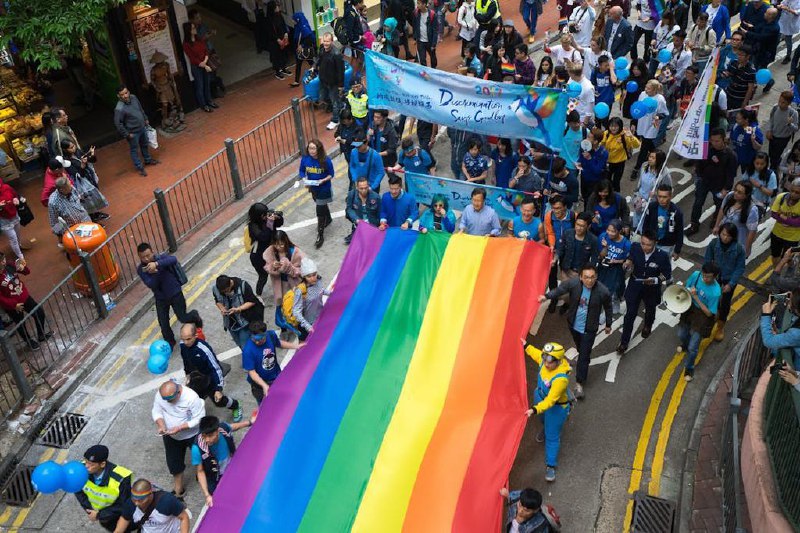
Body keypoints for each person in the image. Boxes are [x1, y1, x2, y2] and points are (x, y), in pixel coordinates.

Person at [538, 263, 612, 398]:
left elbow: (608, 307)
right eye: (586, 277)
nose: (589, 280)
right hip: (573, 324)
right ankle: (581, 353)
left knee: (584, 356)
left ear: (596, 277)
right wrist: (546, 296)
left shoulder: (603, 291)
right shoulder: (573, 284)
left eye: (592, 277)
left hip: (589, 329)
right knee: (580, 347)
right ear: (580, 278)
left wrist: (608, 324)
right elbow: (560, 290)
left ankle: (579, 383)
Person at [522, 341, 572, 483]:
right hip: (540, 397)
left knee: (552, 436)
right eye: (544, 360)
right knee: (543, 420)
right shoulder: (544, 362)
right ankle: (545, 427)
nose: (545, 364)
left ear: (558, 360)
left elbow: (550, 401)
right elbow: (536, 354)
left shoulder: (561, 379)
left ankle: (550, 465)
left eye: (549, 362)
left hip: (555, 407)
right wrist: (526, 346)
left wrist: (534, 409)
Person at [617, 230, 672, 354]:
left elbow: (667, 274)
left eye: (648, 245)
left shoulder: (662, 256)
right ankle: (624, 342)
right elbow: (630, 257)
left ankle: (648, 325)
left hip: (651, 289)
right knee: (630, 314)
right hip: (635, 285)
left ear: (655, 244)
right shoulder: (635, 247)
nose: (645, 247)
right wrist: (628, 263)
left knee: (650, 309)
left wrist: (656, 280)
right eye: (643, 243)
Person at [137, 243, 198, 349]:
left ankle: (194, 318)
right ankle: (170, 342)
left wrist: (156, 264)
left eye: (148, 255)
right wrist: (154, 273)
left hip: (175, 293)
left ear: (152, 252)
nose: (146, 259)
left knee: (182, 317)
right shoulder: (142, 269)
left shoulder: (161, 258)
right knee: (163, 323)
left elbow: (173, 259)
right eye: (143, 257)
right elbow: (151, 284)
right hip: (160, 298)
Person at [152, 381, 206, 498]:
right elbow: (157, 411)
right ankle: (178, 490)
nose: (168, 403)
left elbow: (199, 419)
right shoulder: (161, 396)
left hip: (193, 434)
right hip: (171, 435)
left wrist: (180, 427)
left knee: (202, 457)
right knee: (174, 462)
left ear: (179, 392)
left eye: (171, 400)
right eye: (166, 400)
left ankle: (202, 474)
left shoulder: (191, 398)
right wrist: (161, 425)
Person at [179, 323, 242, 422]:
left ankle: (235, 405)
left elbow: (216, 368)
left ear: (196, 335)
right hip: (195, 378)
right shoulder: (182, 344)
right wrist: (187, 374)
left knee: (219, 401)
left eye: (188, 339)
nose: (185, 342)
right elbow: (185, 360)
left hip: (209, 379)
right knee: (192, 399)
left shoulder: (204, 349)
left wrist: (218, 389)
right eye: (183, 339)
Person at [192, 414, 254, 507]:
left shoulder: (223, 428)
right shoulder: (197, 449)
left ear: (217, 431)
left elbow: (233, 427)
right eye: (204, 436)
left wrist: (250, 422)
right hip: (213, 478)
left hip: (230, 468)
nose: (207, 440)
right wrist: (207, 495)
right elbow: (200, 472)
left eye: (210, 436)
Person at [687, 129, 738, 236]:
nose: (714, 143)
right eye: (712, 141)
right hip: (704, 181)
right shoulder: (707, 148)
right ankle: (694, 224)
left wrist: (726, 188)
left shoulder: (730, 155)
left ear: (724, 139)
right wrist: (699, 173)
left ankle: (716, 219)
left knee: (719, 205)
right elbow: (700, 162)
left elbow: (731, 174)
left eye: (717, 141)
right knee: (698, 203)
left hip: (719, 185)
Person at [678, 262, 722, 382]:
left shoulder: (715, 292)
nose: (705, 278)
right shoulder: (696, 275)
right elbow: (687, 286)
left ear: (715, 277)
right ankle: (685, 344)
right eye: (704, 275)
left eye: (708, 277)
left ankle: (689, 367)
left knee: (693, 347)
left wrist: (696, 297)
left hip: (702, 315)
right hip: (690, 308)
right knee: (681, 333)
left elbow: (709, 313)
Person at [75, 445, 132, 532]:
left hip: (119, 517)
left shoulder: (121, 478)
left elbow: (124, 505)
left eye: (91, 464)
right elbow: (78, 491)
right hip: (103, 518)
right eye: (86, 462)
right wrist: (90, 510)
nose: (86, 466)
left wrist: (99, 515)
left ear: (102, 464)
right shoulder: (80, 470)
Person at [241, 320, 302, 403]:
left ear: (265, 333)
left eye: (260, 338)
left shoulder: (271, 335)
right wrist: (264, 385)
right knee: (265, 405)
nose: (257, 342)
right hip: (259, 386)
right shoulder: (248, 350)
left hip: (276, 377)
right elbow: (252, 372)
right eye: (254, 339)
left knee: (283, 400)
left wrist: (296, 346)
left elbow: (279, 343)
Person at [704, 223, 746, 342]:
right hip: (715, 276)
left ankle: (720, 327)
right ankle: (710, 319)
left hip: (729, 277)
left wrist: (731, 284)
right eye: (723, 234)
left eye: (728, 236)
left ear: (733, 236)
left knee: (725, 303)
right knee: (711, 298)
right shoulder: (713, 244)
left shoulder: (738, 249)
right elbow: (707, 261)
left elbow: (740, 268)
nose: (725, 238)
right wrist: (707, 276)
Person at [0, 254, 50, 350]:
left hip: (24, 296)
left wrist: (23, 267)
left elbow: (27, 272)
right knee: (20, 324)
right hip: (13, 306)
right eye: (1, 261)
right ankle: (29, 341)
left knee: (39, 312)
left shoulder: (9, 265)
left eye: (4, 259)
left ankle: (41, 335)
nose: (4, 262)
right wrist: (13, 305)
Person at [114, 479, 190, 533]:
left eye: (141, 500)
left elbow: (184, 518)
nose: (136, 503)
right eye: (134, 499)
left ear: (150, 494)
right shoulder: (130, 504)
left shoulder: (167, 501)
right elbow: (123, 522)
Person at [557, 212, 600, 309]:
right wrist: (555, 258)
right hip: (566, 270)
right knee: (565, 292)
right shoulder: (567, 233)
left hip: (579, 273)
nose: (578, 228)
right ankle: (567, 305)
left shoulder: (593, 240)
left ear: (588, 226)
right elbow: (561, 249)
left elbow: (594, 258)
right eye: (577, 224)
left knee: (578, 294)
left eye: (582, 226)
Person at [114, 86, 159, 176]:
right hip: (133, 133)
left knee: (145, 144)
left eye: (126, 93)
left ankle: (147, 160)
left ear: (129, 91)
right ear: (118, 96)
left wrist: (145, 118)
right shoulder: (119, 108)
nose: (125, 96)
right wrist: (127, 134)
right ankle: (139, 167)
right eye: (122, 95)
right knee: (134, 150)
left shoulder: (134, 98)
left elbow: (140, 109)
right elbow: (118, 124)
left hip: (142, 127)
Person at [298, 139, 334, 249]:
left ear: (319, 149)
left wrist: (323, 180)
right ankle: (328, 218)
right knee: (321, 206)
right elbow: (301, 171)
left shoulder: (326, 160)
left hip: (324, 189)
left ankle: (320, 234)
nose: (311, 150)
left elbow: (331, 174)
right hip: (313, 188)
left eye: (314, 148)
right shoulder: (305, 159)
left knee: (319, 210)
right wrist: (305, 179)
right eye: (310, 148)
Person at [212, 275, 264, 349]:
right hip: (230, 323)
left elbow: (252, 301)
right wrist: (222, 308)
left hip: (244, 321)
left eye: (227, 290)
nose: (226, 293)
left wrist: (238, 309)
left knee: (245, 346)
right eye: (223, 292)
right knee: (239, 343)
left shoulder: (243, 286)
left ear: (230, 283)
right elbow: (217, 301)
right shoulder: (216, 289)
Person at [713, 181, 759, 258]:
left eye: (740, 192)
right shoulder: (730, 196)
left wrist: (746, 249)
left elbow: (752, 232)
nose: (736, 193)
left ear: (746, 195)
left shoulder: (751, 209)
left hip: (738, 240)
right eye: (735, 190)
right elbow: (722, 209)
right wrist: (717, 225)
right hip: (724, 235)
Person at [246, 203, 283, 296]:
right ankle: (258, 295)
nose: (265, 217)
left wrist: (278, 218)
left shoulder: (267, 218)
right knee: (263, 276)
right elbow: (263, 237)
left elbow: (279, 224)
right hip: (258, 257)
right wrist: (269, 223)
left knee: (280, 268)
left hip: (272, 251)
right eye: (263, 215)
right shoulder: (252, 226)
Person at [640, 183, 683, 259]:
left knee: (664, 268)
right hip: (652, 242)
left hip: (667, 245)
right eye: (659, 196)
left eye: (665, 197)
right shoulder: (652, 207)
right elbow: (646, 224)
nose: (661, 199)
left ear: (670, 196)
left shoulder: (677, 212)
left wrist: (677, 250)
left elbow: (680, 232)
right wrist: (644, 238)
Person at [312, 33, 346, 131]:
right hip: (323, 80)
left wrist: (340, 85)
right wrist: (314, 66)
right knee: (322, 97)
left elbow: (341, 71)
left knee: (334, 100)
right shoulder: (322, 49)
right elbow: (318, 59)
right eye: (324, 41)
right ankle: (340, 105)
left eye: (328, 41)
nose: (325, 43)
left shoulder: (336, 54)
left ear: (331, 41)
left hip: (333, 83)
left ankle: (335, 120)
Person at [597, 219, 631, 313]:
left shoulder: (626, 244)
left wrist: (616, 261)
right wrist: (605, 247)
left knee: (615, 290)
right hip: (603, 268)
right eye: (608, 230)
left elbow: (627, 261)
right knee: (601, 288)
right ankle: (603, 309)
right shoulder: (603, 237)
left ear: (619, 231)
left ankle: (615, 302)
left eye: (613, 231)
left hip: (616, 270)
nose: (610, 233)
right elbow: (601, 255)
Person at [263, 230, 304, 306]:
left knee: (296, 304)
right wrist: (273, 266)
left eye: (281, 244)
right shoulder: (271, 252)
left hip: (294, 283)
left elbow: (302, 270)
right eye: (276, 244)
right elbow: (267, 267)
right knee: (283, 306)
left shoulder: (294, 252)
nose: (278, 247)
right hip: (280, 285)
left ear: (286, 241)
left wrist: (288, 267)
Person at [182, 21, 216, 112]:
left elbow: (205, 50)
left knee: (206, 83)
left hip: (204, 63)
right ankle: (203, 104)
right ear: (188, 31)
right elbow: (192, 58)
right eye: (193, 28)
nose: (195, 29)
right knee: (200, 86)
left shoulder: (199, 39)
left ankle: (209, 101)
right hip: (197, 67)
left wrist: (205, 61)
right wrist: (204, 65)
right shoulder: (186, 44)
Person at [632, 149, 668, 229]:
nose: (650, 159)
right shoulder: (644, 165)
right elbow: (640, 182)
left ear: (659, 160)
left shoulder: (664, 173)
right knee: (637, 219)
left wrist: (656, 193)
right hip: (640, 200)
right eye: (650, 156)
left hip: (651, 203)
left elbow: (669, 190)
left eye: (653, 158)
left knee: (647, 223)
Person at [603, 117, 640, 192]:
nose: (613, 128)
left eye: (616, 126)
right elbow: (601, 144)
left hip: (619, 163)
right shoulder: (606, 133)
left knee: (616, 182)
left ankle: (616, 196)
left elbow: (637, 145)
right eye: (611, 126)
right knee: (607, 181)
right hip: (608, 162)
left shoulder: (624, 135)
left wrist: (631, 136)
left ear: (620, 126)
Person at [765, 91, 799, 172]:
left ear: (789, 103)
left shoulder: (793, 113)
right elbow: (771, 120)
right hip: (773, 135)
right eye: (779, 101)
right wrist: (769, 130)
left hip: (782, 139)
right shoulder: (775, 107)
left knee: (775, 156)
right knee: (771, 154)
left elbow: (796, 128)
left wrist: (790, 124)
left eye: (783, 102)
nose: (780, 104)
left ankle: (773, 170)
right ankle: (776, 162)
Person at [345, 176, 381, 243]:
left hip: (373, 227)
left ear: (368, 186)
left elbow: (380, 212)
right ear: (357, 188)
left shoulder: (376, 197)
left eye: (365, 188)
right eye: (361, 188)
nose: (364, 190)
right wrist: (356, 219)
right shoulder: (351, 195)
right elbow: (349, 209)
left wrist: (380, 224)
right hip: (359, 226)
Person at [720, 44, 756, 112]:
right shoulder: (734, 63)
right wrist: (725, 74)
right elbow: (729, 73)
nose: (739, 57)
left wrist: (744, 103)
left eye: (741, 55)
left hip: (739, 99)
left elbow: (750, 89)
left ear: (748, 56)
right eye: (738, 54)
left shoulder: (751, 71)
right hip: (729, 94)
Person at [0, 180, 30, 260]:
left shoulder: (6, 187)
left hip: (14, 215)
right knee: (13, 238)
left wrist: (15, 199)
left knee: (17, 233)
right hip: (3, 220)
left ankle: (19, 246)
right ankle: (20, 256)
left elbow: (15, 195)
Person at [578, 128, 609, 205]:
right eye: (587, 137)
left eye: (589, 138)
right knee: (585, 198)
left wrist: (589, 159)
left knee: (592, 201)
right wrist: (578, 163)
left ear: (595, 141)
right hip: (584, 178)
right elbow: (581, 160)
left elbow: (597, 171)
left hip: (595, 182)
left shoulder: (603, 153)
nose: (586, 139)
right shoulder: (584, 147)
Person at [262, 1, 290, 80]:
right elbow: (269, 32)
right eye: (276, 6)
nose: (278, 7)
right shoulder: (268, 19)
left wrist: (285, 34)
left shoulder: (279, 15)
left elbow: (284, 25)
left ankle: (284, 68)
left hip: (283, 38)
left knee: (284, 54)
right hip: (274, 41)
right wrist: (277, 39)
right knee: (276, 56)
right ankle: (277, 72)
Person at [730, 108, 764, 173]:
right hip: (737, 157)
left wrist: (753, 141)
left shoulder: (753, 129)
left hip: (749, 162)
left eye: (739, 119)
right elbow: (732, 139)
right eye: (736, 118)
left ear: (746, 120)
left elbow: (759, 146)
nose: (736, 120)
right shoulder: (737, 126)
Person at [290, 12, 316, 87]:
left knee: (311, 62)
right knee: (300, 64)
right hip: (300, 50)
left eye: (293, 19)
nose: (292, 21)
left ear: (297, 19)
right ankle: (296, 81)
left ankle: (317, 74)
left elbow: (310, 38)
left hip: (305, 49)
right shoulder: (298, 25)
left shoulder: (303, 27)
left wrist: (302, 45)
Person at [412, 0, 438, 67]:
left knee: (433, 57)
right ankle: (425, 73)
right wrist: (415, 37)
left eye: (419, 3)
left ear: (424, 4)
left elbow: (435, 30)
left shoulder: (432, 15)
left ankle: (433, 69)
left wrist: (434, 44)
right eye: (417, 3)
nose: (417, 5)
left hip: (430, 41)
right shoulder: (416, 13)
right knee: (422, 59)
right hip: (420, 41)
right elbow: (414, 25)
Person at [779, 0, 800, 65]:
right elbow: (782, 3)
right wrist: (780, 6)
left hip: (791, 24)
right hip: (783, 22)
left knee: (788, 41)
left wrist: (787, 9)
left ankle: (788, 56)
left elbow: (797, 13)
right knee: (777, 38)